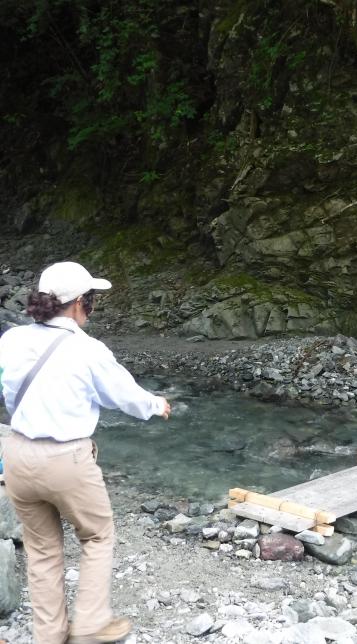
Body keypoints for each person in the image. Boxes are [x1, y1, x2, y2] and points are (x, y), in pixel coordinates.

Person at [0, 262, 171, 644]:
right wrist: (155, 404)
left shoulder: (11, 340)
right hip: (66, 460)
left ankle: (50, 636)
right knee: (97, 537)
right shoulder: (88, 350)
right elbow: (124, 396)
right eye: (91, 301)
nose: (91, 308)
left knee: (42, 550)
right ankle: (91, 625)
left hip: (17, 455)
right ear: (80, 303)